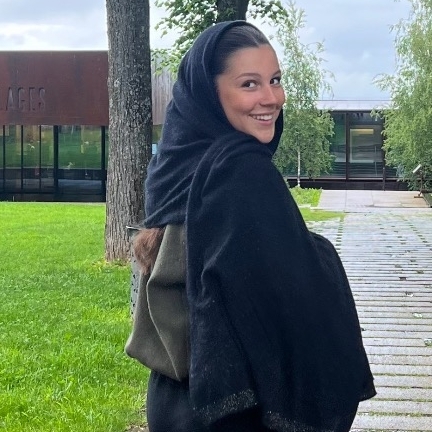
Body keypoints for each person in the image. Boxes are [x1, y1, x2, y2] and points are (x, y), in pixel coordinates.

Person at [126, 20, 376, 432]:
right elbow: (291, 301)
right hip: (234, 407)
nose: (271, 98)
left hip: (172, 400)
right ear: (210, 92)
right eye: (249, 84)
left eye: (275, 80)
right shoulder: (240, 171)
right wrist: (315, 252)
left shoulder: (172, 165)